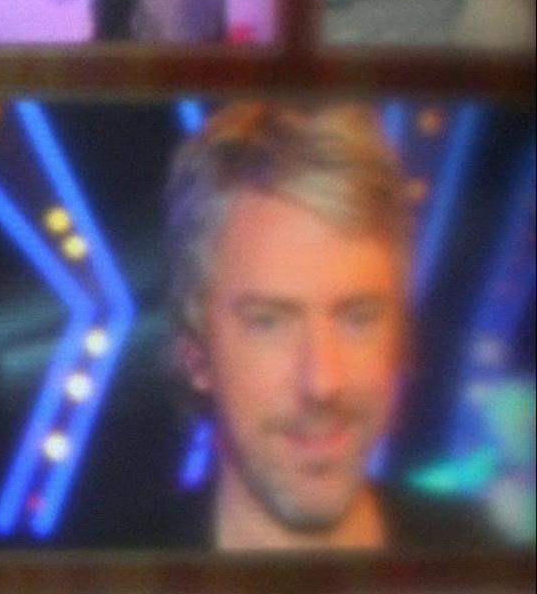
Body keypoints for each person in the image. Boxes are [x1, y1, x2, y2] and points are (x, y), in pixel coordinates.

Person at [163, 102, 502, 551]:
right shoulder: (109, 575)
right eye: (269, 323)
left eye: (358, 318)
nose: (323, 383)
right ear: (196, 355)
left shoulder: (479, 552)